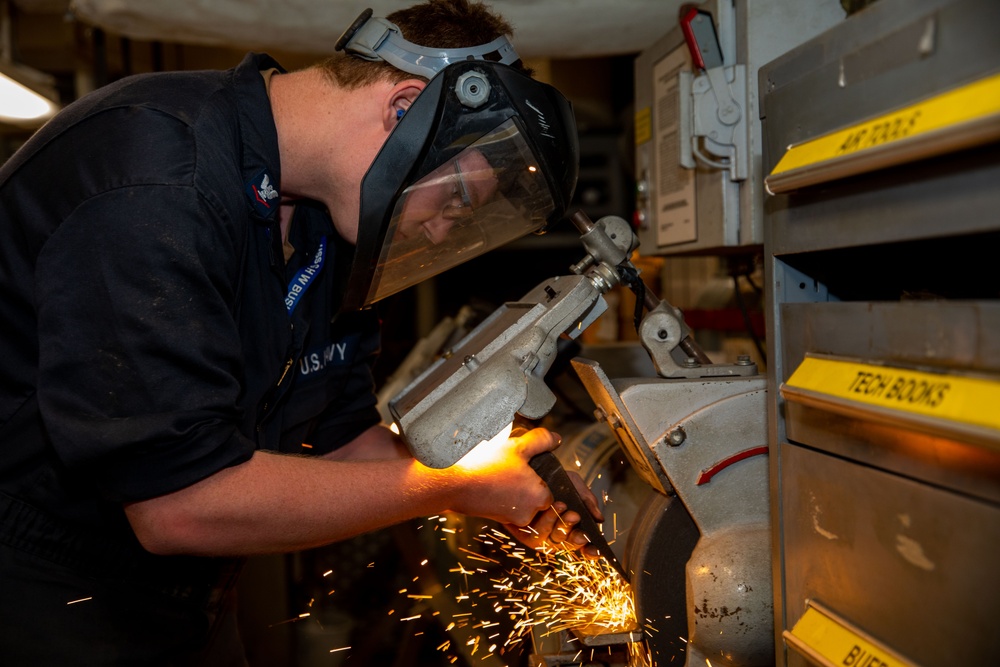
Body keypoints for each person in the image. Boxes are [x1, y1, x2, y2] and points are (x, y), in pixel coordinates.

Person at [0, 0, 596, 664]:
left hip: (181, 596)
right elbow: (178, 504)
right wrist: (452, 486)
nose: (438, 230)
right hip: (36, 583)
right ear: (404, 108)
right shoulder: (158, 177)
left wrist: (486, 472)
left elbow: (341, 439)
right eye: (455, 199)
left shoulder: (332, 225)